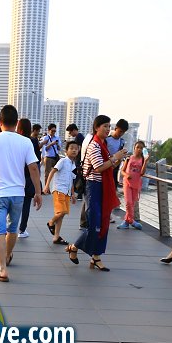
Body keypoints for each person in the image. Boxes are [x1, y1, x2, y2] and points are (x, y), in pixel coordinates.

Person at [0, 104, 42, 282]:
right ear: (17, 122)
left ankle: (2, 269)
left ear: (0, 121)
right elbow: (34, 168)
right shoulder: (25, 141)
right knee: (12, 229)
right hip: (18, 193)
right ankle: (8, 255)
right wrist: (38, 192)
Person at [67, 115, 126, 271]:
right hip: (93, 186)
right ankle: (75, 248)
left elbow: (109, 167)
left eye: (109, 126)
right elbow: (99, 167)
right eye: (105, 126)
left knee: (103, 221)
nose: (108, 129)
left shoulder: (103, 145)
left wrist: (117, 159)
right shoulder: (94, 145)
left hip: (103, 186)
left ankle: (96, 256)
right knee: (95, 223)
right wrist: (116, 157)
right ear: (96, 128)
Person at [45, 138, 79, 246]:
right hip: (59, 190)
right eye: (71, 148)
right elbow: (52, 172)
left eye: (76, 149)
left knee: (61, 214)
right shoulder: (63, 161)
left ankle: (56, 237)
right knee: (62, 211)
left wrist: (73, 194)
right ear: (66, 151)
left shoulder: (73, 165)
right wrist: (47, 186)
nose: (74, 150)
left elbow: (71, 180)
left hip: (67, 192)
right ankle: (51, 222)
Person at [16, 119, 43, 238]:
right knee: (26, 204)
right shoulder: (32, 141)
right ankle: (22, 230)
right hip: (28, 177)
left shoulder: (15, 140)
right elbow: (36, 162)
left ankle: (8, 227)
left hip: (16, 177)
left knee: (13, 204)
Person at [118, 140, 146, 230]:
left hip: (136, 184)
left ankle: (126, 222)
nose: (139, 149)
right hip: (127, 183)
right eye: (137, 147)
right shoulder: (129, 158)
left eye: (141, 148)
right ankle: (132, 221)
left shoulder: (143, 160)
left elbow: (142, 173)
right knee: (128, 203)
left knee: (132, 204)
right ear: (134, 148)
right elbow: (122, 170)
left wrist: (146, 161)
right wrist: (127, 175)